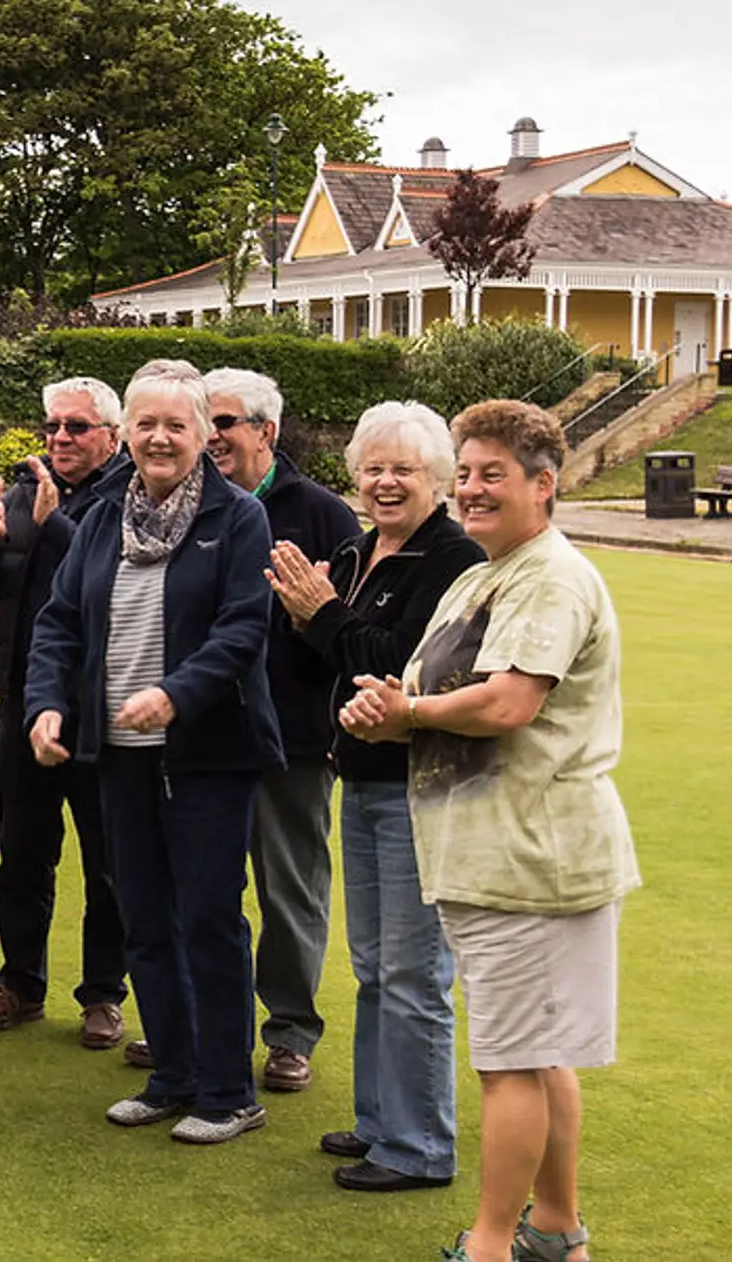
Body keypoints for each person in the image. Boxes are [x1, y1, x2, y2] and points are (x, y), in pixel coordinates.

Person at [340, 399, 638, 1262]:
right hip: (496, 853)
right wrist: (389, 709)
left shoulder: (550, 575)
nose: (470, 489)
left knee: (511, 1062)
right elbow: (419, 686)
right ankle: (553, 1231)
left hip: (531, 857)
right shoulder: (484, 573)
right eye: (464, 472)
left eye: (491, 474)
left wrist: (409, 713)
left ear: (545, 485)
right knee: (541, 1056)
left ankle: (492, 1244)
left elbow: (509, 701)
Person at [25, 369, 282, 1145]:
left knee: (208, 918)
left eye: (176, 423)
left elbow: (244, 629)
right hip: (121, 755)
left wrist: (175, 694)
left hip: (208, 752)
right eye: (146, 424)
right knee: (143, 920)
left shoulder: (237, 520)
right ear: (127, 434)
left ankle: (230, 1089)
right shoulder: (103, 517)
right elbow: (59, 622)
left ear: (206, 433)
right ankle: (171, 1074)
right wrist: (47, 703)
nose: (160, 438)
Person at [266, 401, 484, 1192]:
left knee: (415, 974)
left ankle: (420, 1146)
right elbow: (328, 658)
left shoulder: (451, 561)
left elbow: (391, 664)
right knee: (372, 967)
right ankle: (379, 1120)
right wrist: (305, 617)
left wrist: (320, 614)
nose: (386, 482)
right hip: (358, 777)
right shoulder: (360, 551)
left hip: (418, 785)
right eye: (373, 468)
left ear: (437, 479)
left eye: (405, 470)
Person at [0, 375, 130, 1049]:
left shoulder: (128, 499)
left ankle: (103, 995)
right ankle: (21, 982)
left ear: (110, 436)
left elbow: (103, 583)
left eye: (76, 427)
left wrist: (55, 526)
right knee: (22, 852)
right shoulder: (25, 491)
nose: (60, 437)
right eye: (53, 425)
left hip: (99, 706)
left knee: (106, 858)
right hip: (22, 700)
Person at [202, 366, 360, 1094]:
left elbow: (352, 632)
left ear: (266, 430)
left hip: (292, 733)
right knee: (200, 883)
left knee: (288, 888)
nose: (211, 437)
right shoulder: (187, 504)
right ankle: (205, 1023)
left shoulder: (321, 514)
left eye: (225, 422)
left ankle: (290, 1031)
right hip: (202, 725)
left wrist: (309, 616)